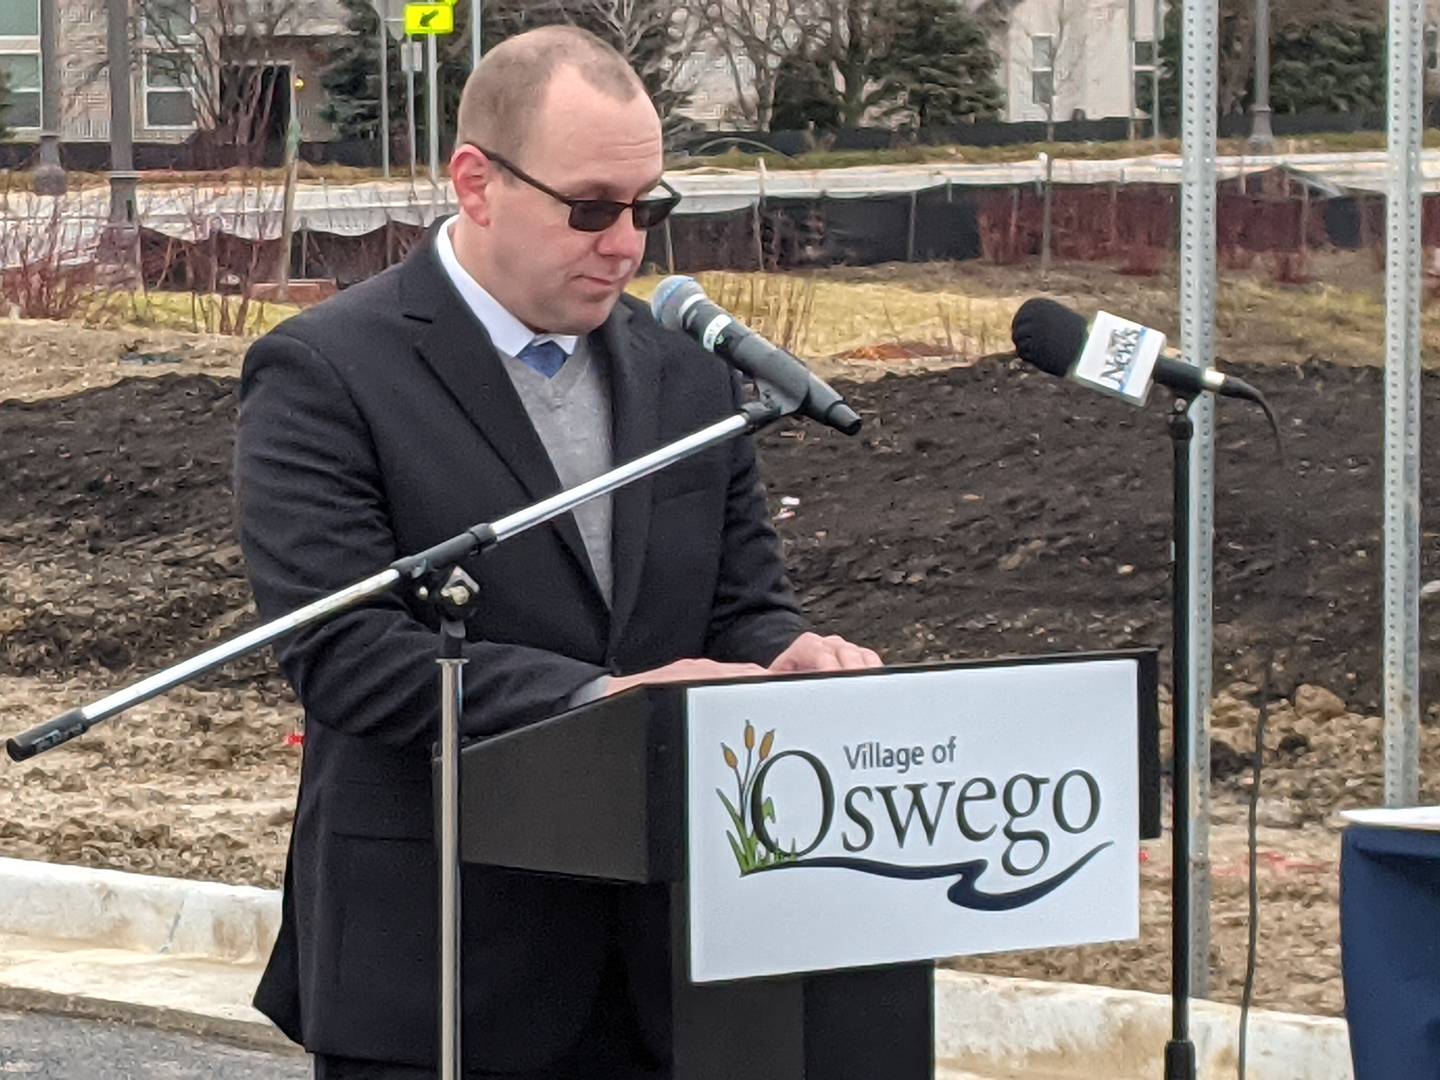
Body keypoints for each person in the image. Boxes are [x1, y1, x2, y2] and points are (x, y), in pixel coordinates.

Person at [234, 25, 880, 1080]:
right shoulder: (324, 370)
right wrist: (601, 698)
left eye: (650, 208)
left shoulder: (689, 377)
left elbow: (738, 605)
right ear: (477, 184)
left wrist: (788, 658)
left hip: (665, 969)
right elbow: (344, 653)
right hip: (443, 966)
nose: (627, 245)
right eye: (591, 209)